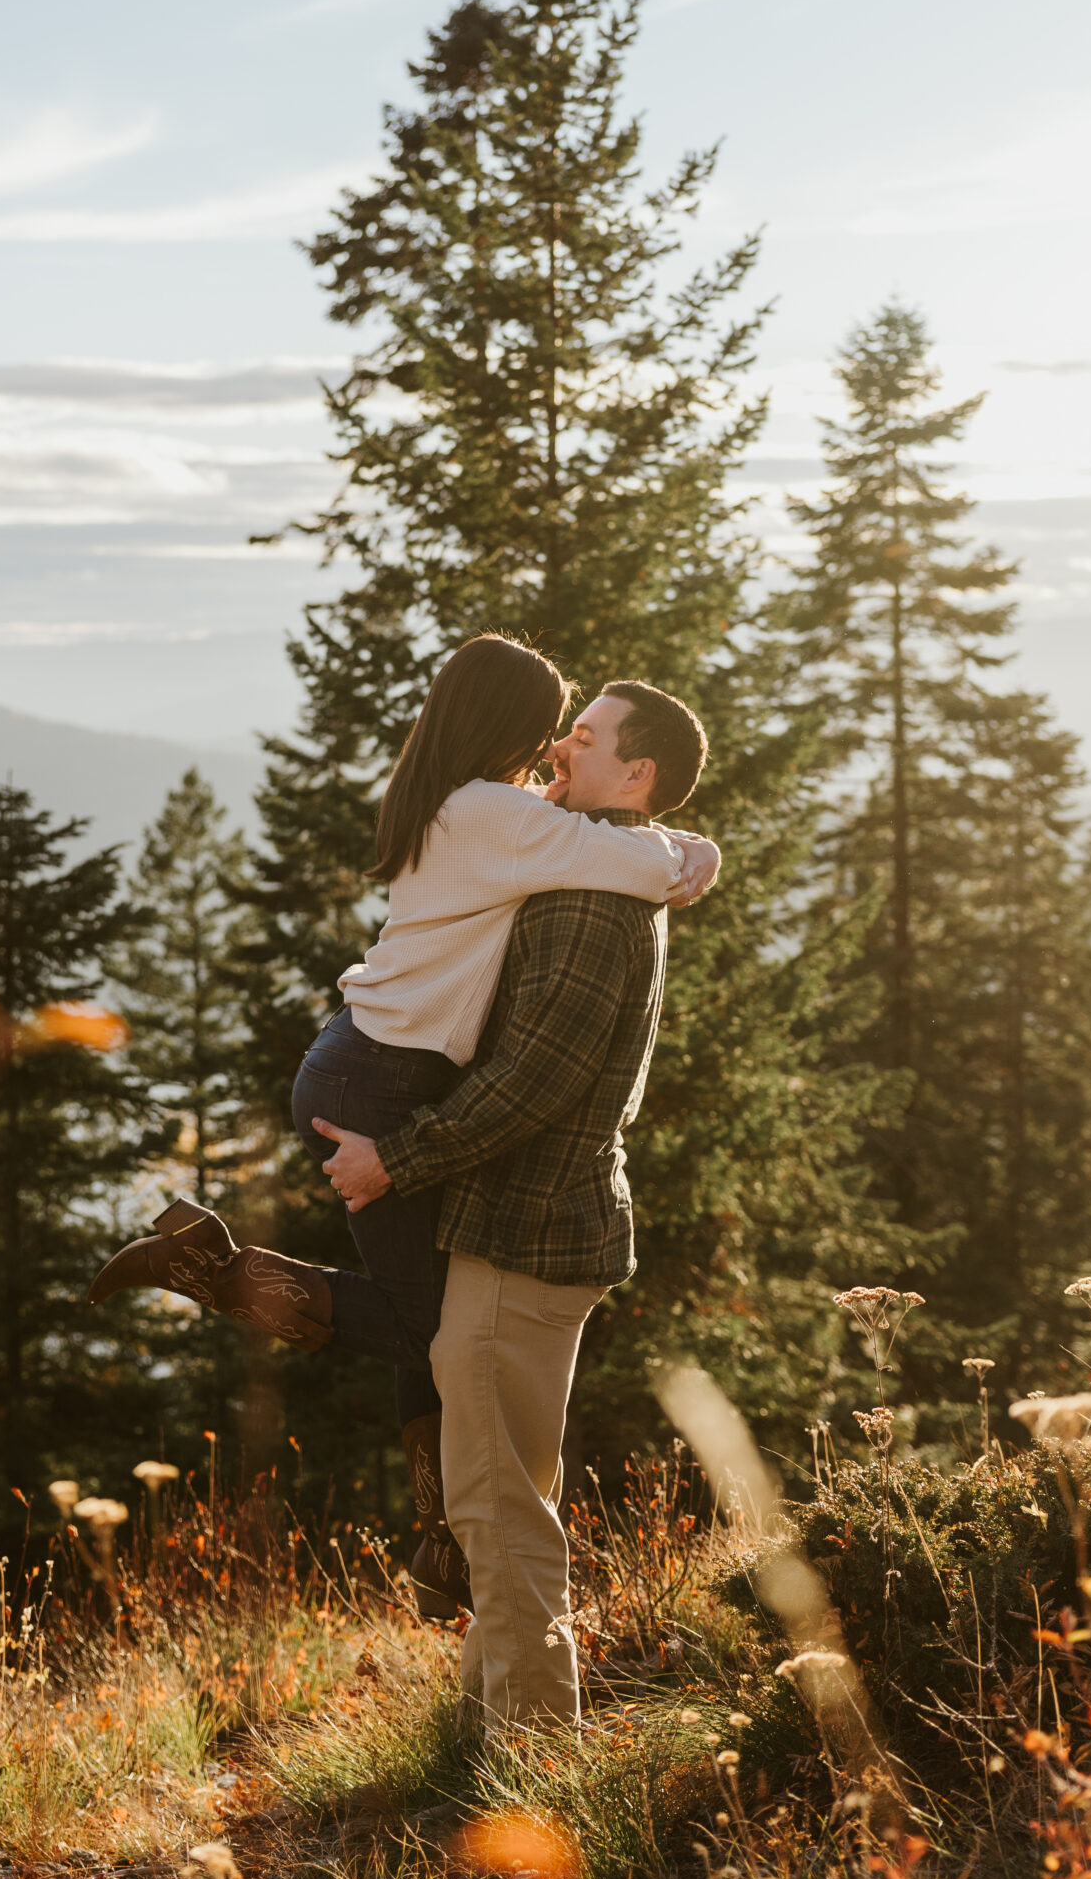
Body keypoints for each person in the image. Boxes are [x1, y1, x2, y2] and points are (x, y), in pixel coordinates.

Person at [87, 634, 718, 1619]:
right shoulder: (497, 814)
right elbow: (626, 857)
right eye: (552, 720)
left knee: (427, 1322)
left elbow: (597, 836)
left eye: (577, 731)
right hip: (379, 1084)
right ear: (506, 723)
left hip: (365, 1064)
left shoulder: (469, 805)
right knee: (433, 1327)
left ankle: (438, 1544)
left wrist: (673, 840)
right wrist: (692, 848)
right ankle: (214, 1276)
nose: (557, 743)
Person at [318, 675, 708, 1736]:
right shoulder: (598, 864)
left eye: (585, 738)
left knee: (498, 1506)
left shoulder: (591, 896)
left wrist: (396, 1156)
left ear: (638, 774)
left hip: (526, 1226)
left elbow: (533, 1079)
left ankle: (533, 1763)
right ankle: (479, 1730)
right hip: (536, 1224)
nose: (558, 748)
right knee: (501, 1487)